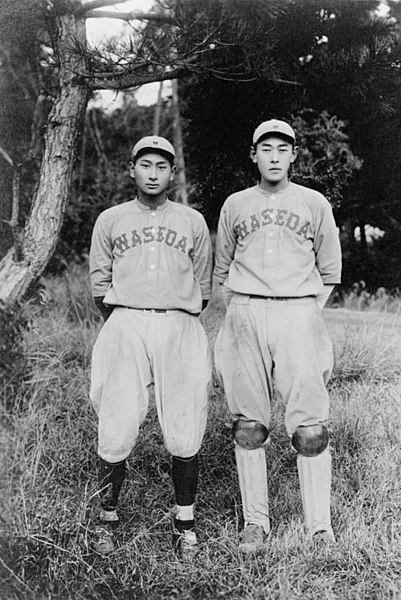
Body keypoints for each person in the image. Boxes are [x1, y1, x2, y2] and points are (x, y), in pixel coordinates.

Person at [213, 119, 342, 553]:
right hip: (246, 313)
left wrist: (302, 312)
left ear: (293, 155)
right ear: (254, 155)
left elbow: (329, 271)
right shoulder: (235, 204)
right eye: (265, 148)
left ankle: (319, 528)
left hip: (298, 314)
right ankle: (256, 523)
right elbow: (222, 268)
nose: (273, 155)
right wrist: (245, 311)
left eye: (281, 149)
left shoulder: (314, 202)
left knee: (310, 429)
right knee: (248, 425)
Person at [88, 135, 213, 558]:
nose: (154, 173)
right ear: (132, 169)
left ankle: (185, 523)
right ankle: (107, 517)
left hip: (179, 324)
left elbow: (204, 286)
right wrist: (125, 321)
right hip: (126, 321)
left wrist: (173, 315)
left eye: (162, 166)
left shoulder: (193, 221)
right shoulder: (110, 219)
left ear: (172, 173)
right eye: (146, 165)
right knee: (117, 420)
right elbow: (99, 283)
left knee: (184, 423)